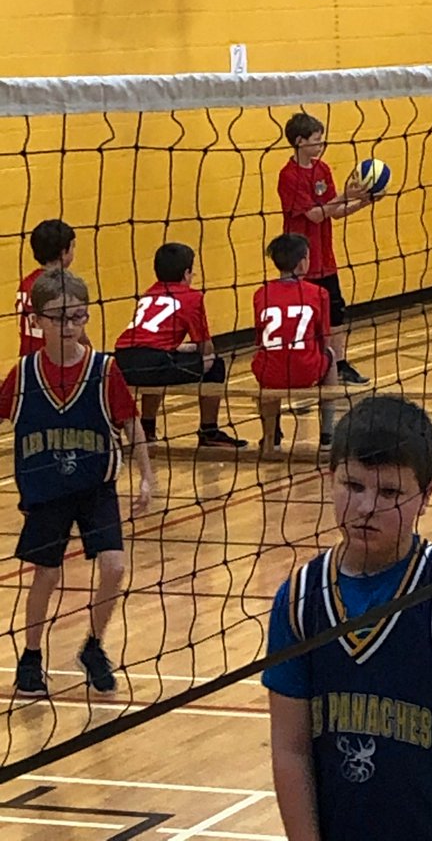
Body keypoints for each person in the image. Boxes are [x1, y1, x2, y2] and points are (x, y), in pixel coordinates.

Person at [262, 395, 432, 841]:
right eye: (353, 486)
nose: (366, 506)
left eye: (389, 493)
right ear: (329, 478)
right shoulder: (299, 600)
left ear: (426, 496)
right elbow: (290, 751)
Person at [0, 269, 153, 698]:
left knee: (115, 567)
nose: (68, 326)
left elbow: (131, 423)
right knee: (46, 575)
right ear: (38, 321)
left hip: (95, 487)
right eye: (58, 318)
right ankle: (31, 656)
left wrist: (147, 475)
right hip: (46, 490)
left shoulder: (104, 370)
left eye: (77, 317)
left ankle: (93, 646)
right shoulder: (24, 374)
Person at [114, 241, 247, 450]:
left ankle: (147, 428)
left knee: (163, 365)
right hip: (154, 364)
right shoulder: (191, 297)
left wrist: (181, 348)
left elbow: (149, 339)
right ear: (186, 273)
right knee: (215, 365)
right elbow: (206, 348)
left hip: (122, 360)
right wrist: (198, 350)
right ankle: (209, 431)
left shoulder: (149, 293)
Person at [278, 112, 375, 387]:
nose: (321, 145)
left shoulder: (323, 170)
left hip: (325, 258)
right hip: (300, 260)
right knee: (305, 317)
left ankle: (339, 365)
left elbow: (335, 212)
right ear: (299, 141)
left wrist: (364, 201)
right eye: (316, 140)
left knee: (335, 311)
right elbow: (314, 215)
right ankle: (306, 368)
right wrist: (345, 195)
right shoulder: (288, 176)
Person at [252, 232, 338, 452]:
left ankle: (271, 437)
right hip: (306, 372)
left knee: (265, 359)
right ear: (302, 263)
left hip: (271, 375)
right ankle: (327, 436)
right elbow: (324, 339)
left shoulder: (261, 293)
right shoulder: (318, 293)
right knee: (331, 355)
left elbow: (259, 340)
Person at [15, 218, 77, 357]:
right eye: (73, 247)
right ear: (63, 252)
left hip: (28, 361)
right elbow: (76, 332)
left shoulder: (26, 283)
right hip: (56, 361)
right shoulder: (64, 285)